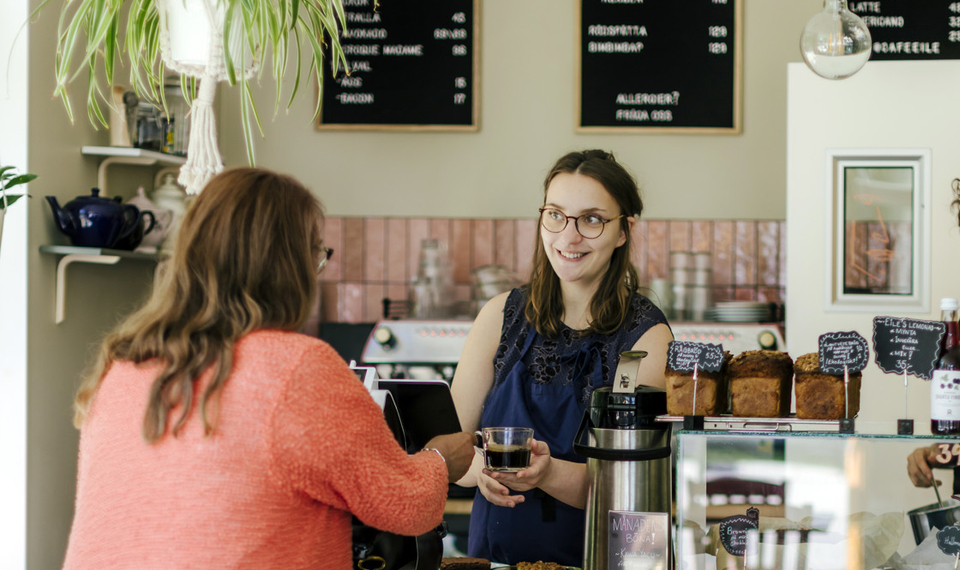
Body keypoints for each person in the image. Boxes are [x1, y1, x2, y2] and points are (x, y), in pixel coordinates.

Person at [60, 167, 475, 570]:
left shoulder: (124, 366)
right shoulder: (298, 367)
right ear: (287, 267)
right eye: (316, 253)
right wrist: (440, 458)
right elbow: (404, 505)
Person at [451, 150, 674, 565]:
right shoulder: (499, 317)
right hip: (494, 560)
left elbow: (636, 492)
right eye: (555, 215)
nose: (568, 237)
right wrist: (482, 468)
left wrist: (549, 473)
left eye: (591, 220)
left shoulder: (646, 338)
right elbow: (447, 447)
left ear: (624, 230)